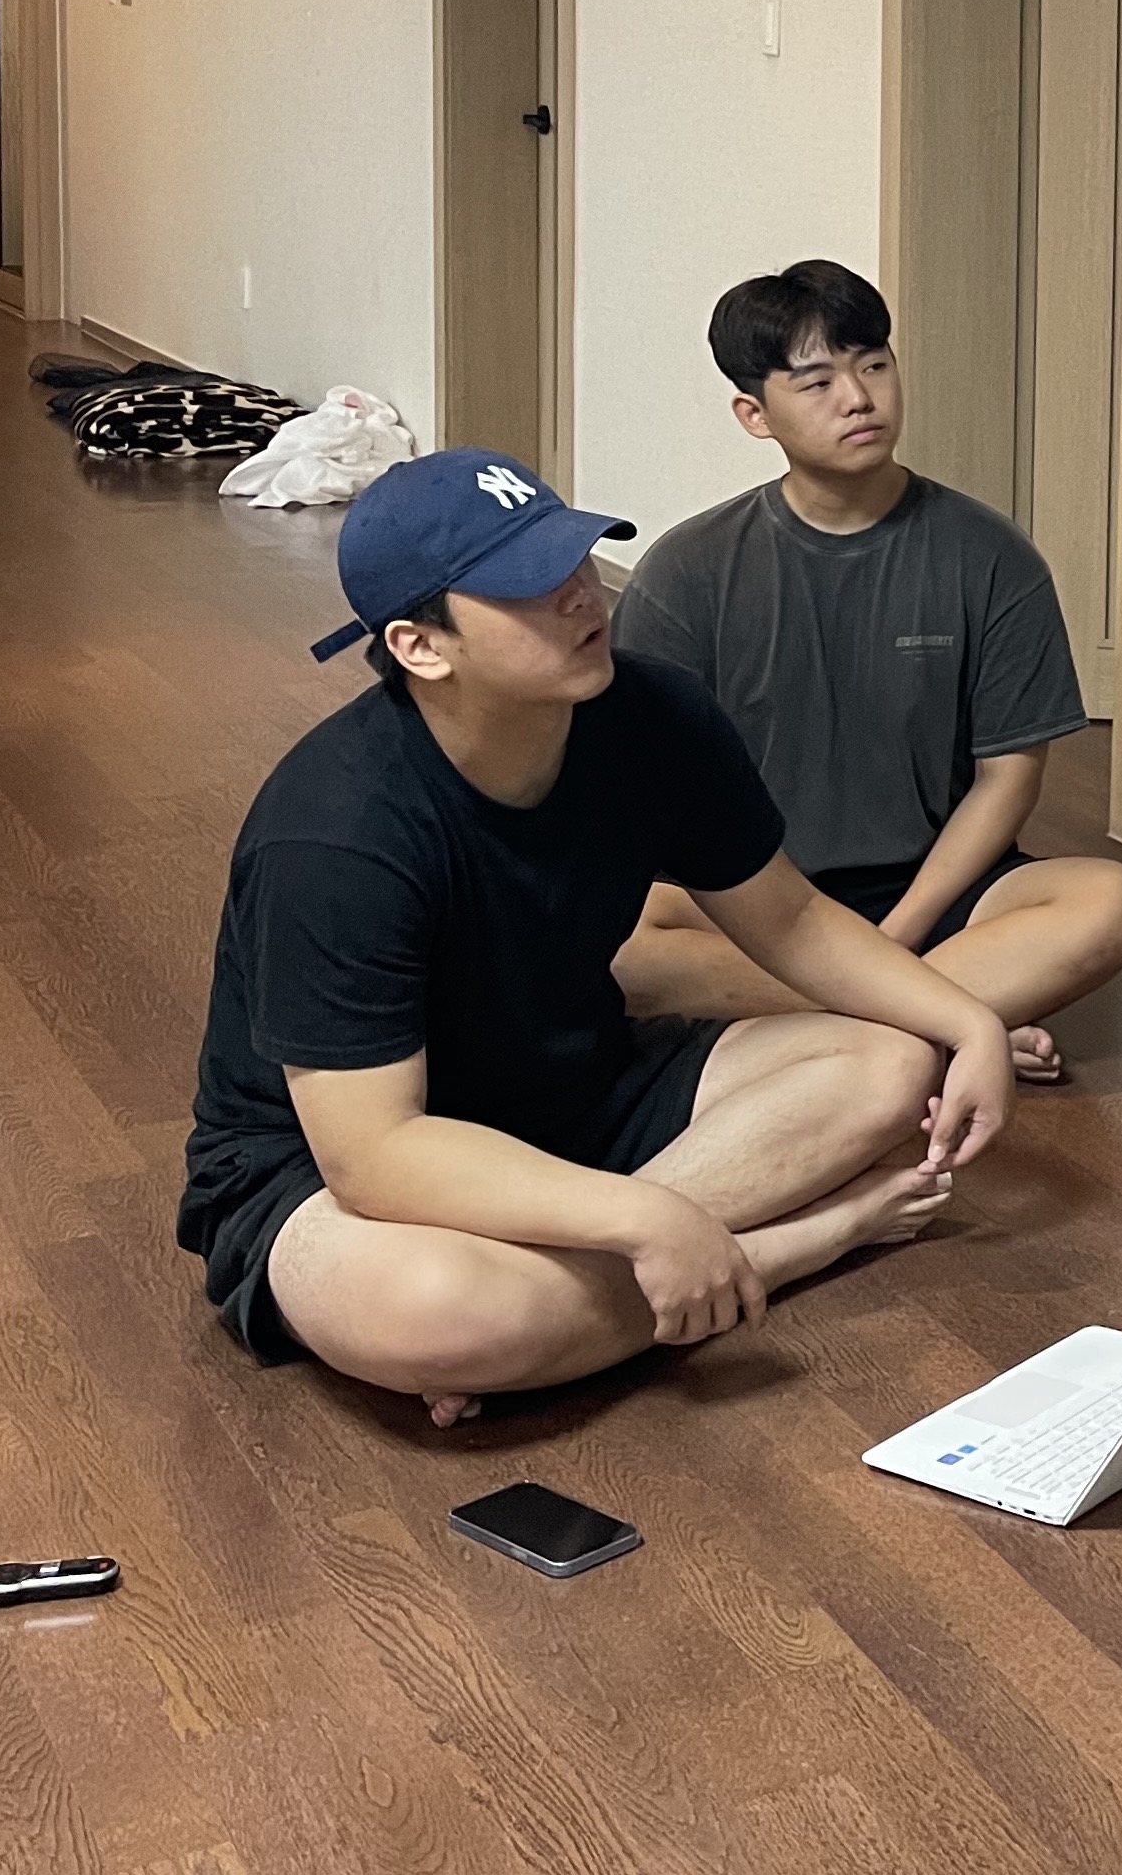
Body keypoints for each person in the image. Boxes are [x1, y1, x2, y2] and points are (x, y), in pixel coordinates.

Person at [177, 448, 1019, 1425]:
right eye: (529, 584)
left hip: (577, 1091)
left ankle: (581, 1311)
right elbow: (375, 1153)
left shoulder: (653, 717)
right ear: (420, 646)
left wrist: (973, 1025)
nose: (583, 593)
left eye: (575, 556)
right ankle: (787, 1247)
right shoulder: (336, 832)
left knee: (892, 1062)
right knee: (443, 1311)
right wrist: (641, 1216)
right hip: (323, 1168)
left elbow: (789, 919)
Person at [607, 260, 1122, 1084]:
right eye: (817, 382)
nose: (858, 398)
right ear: (754, 414)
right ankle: (945, 1019)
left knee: (1113, 899)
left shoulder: (991, 557)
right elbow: (647, 790)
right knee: (619, 945)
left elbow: (1007, 780)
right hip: (749, 897)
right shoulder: (687, 571)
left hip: (932, 891)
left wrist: (888, 945)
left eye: (873, 365)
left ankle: (852, 1027)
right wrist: (838, 952)